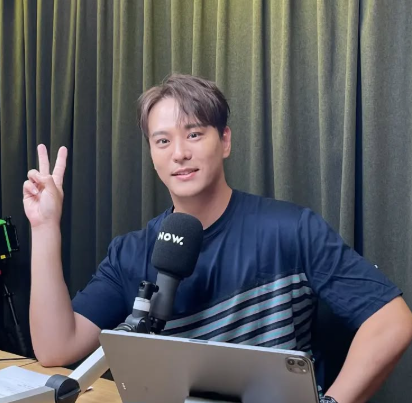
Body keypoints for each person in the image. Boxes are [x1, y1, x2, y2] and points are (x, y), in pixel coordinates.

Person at [23, 74, 412, 403]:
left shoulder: (292, 229)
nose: (179, 153)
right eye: (162, 141)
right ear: (152, 155)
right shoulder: (130, 253)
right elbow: (56, 347)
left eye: (194, 134)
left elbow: (392, 321)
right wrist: (44, 227)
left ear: (224, 141)